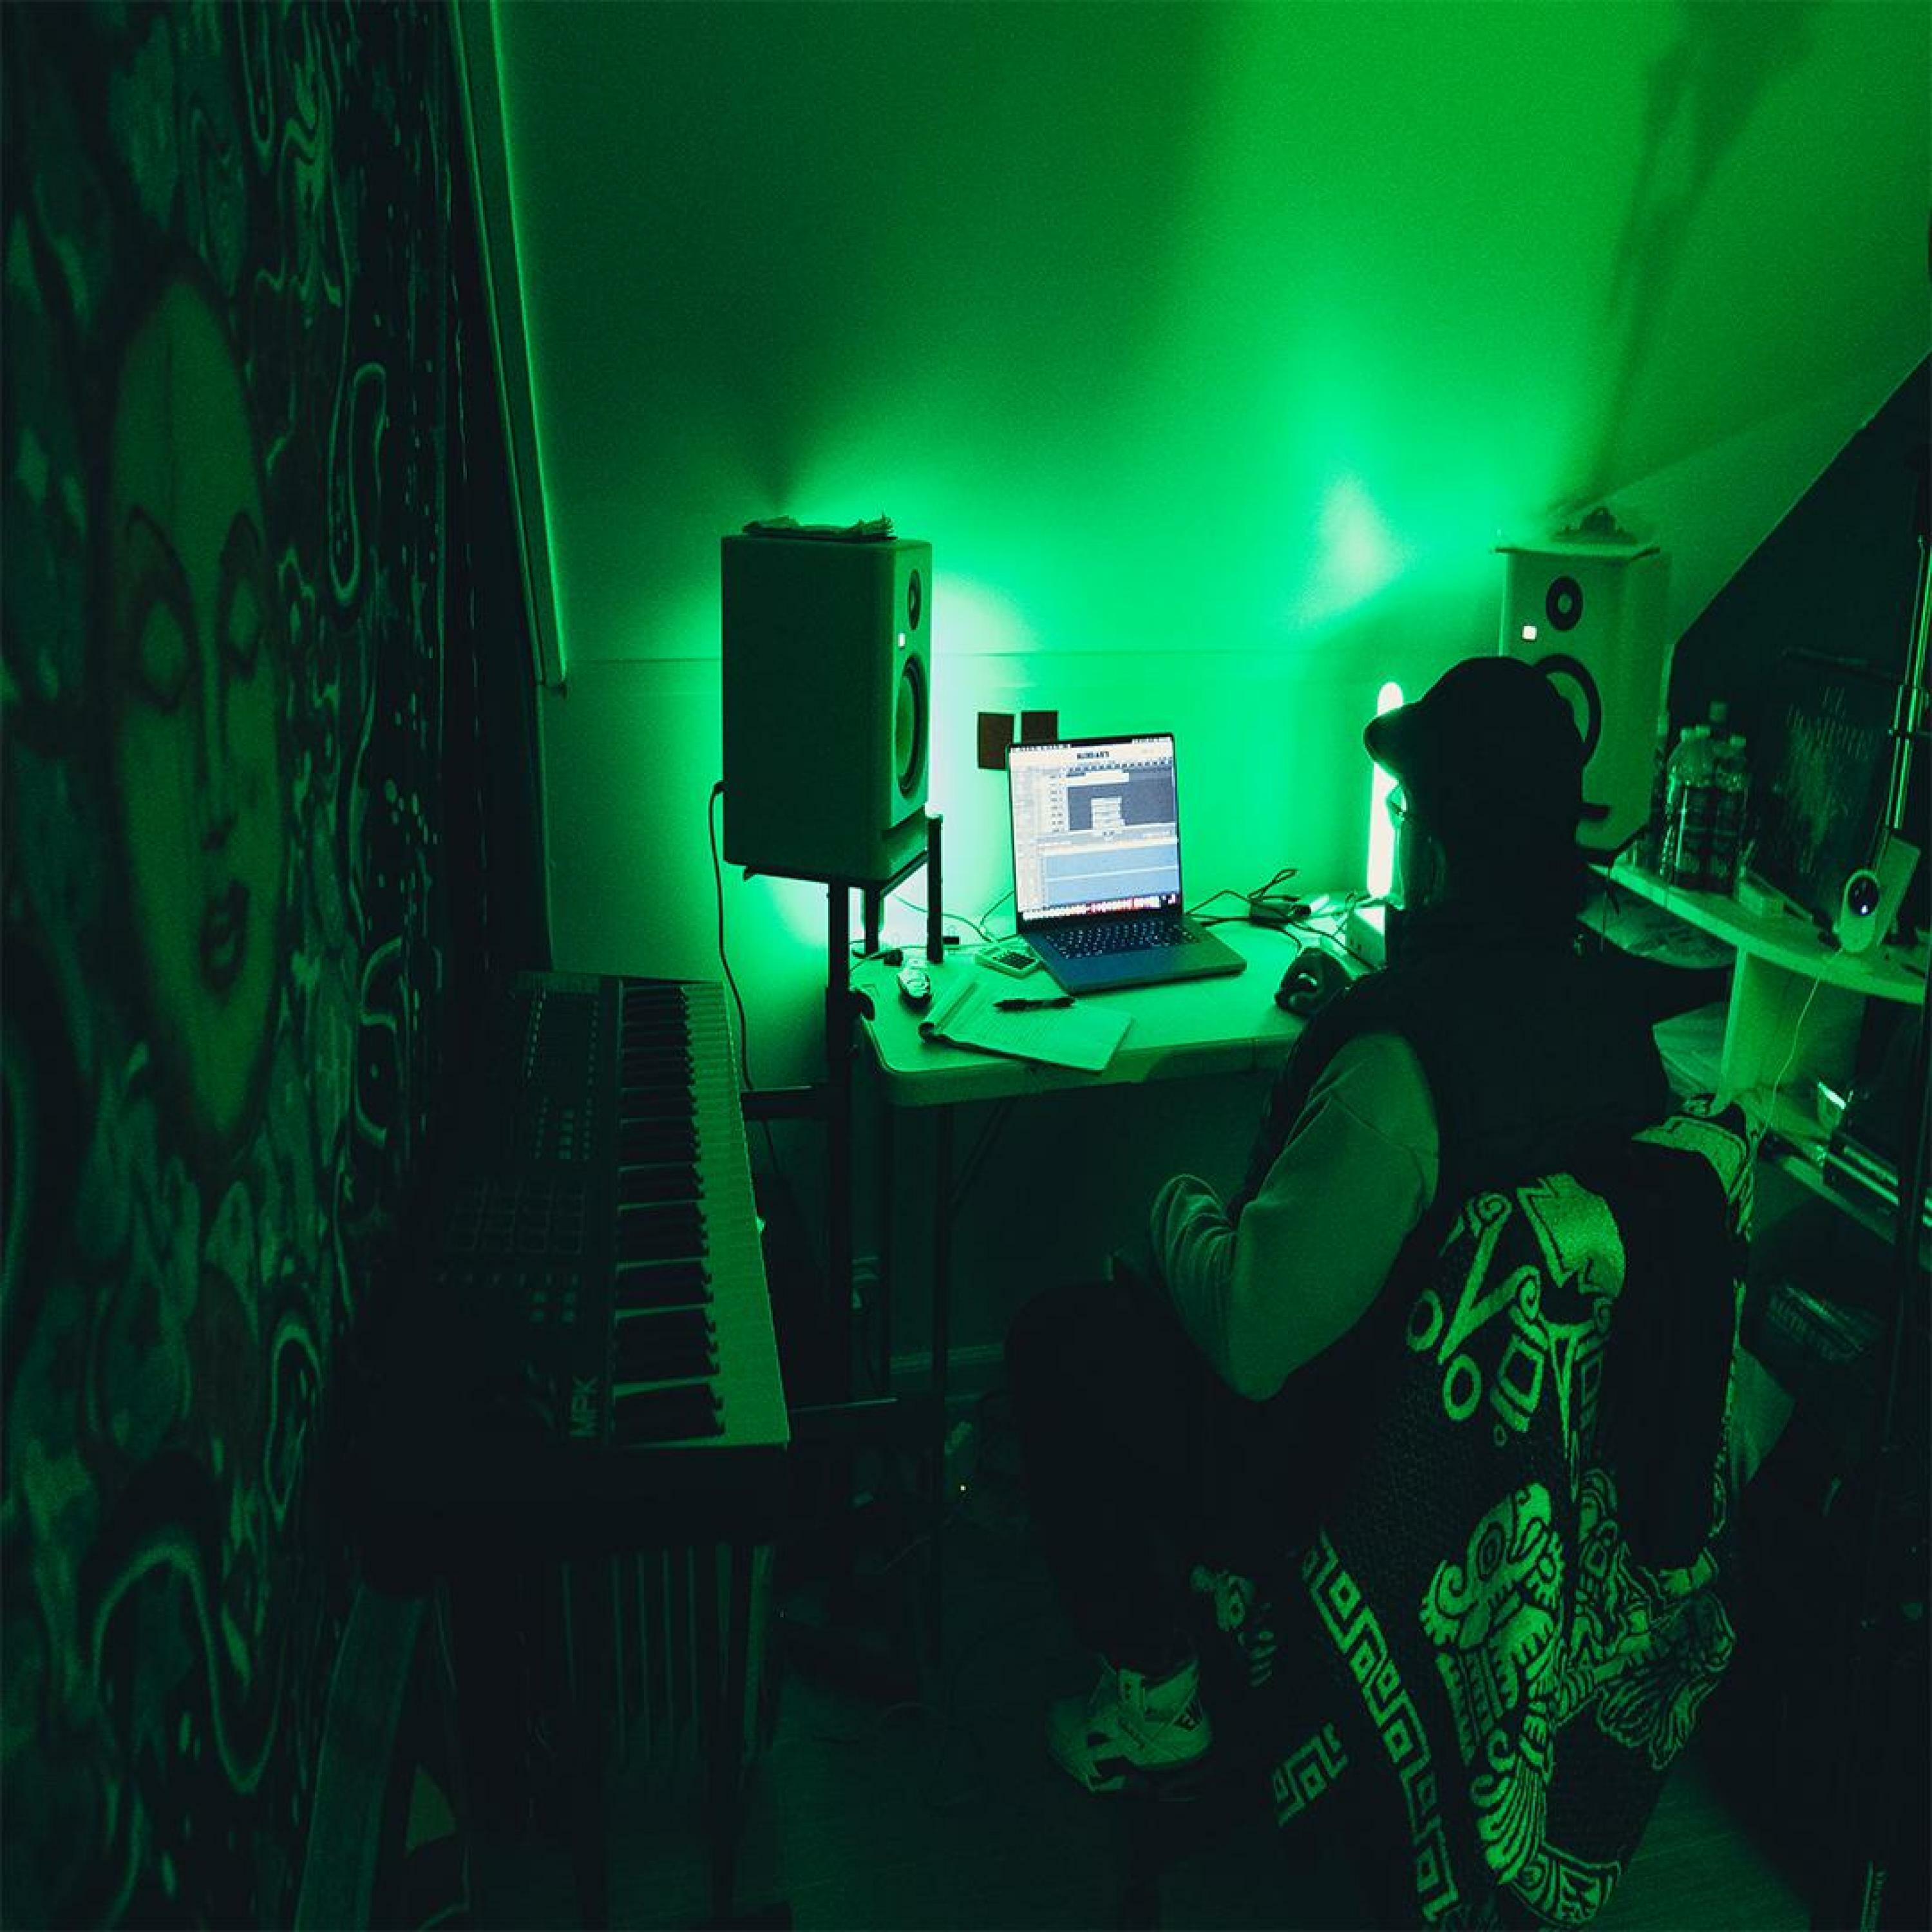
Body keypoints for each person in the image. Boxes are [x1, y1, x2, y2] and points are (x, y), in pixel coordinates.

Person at [1005, 654, 1717, 1796]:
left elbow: (1250, 1342)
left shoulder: (1397, 1068)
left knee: (1060, 1336)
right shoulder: (1616, 1024)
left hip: (1335, 1474)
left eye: (1406, 809)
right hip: (1505, 1480)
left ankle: (1157, 1696)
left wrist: (1173, 1203)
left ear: (1434, 842)